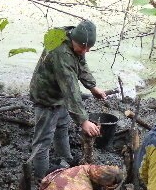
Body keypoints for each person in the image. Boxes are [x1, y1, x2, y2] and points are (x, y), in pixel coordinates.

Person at [29, 20, 107, 179]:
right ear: (74, 40)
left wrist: (92, 87)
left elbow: (81, 65)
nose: (86, 51)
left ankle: (66, 159)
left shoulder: (76, 43)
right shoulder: (62, 53)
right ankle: (41, 178)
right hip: (46, 97)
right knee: (43, 142)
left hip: (60, 96)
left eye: (89, 48)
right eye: (84, 48)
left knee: (62, 128)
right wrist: (83, 120)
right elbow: (71, 88)